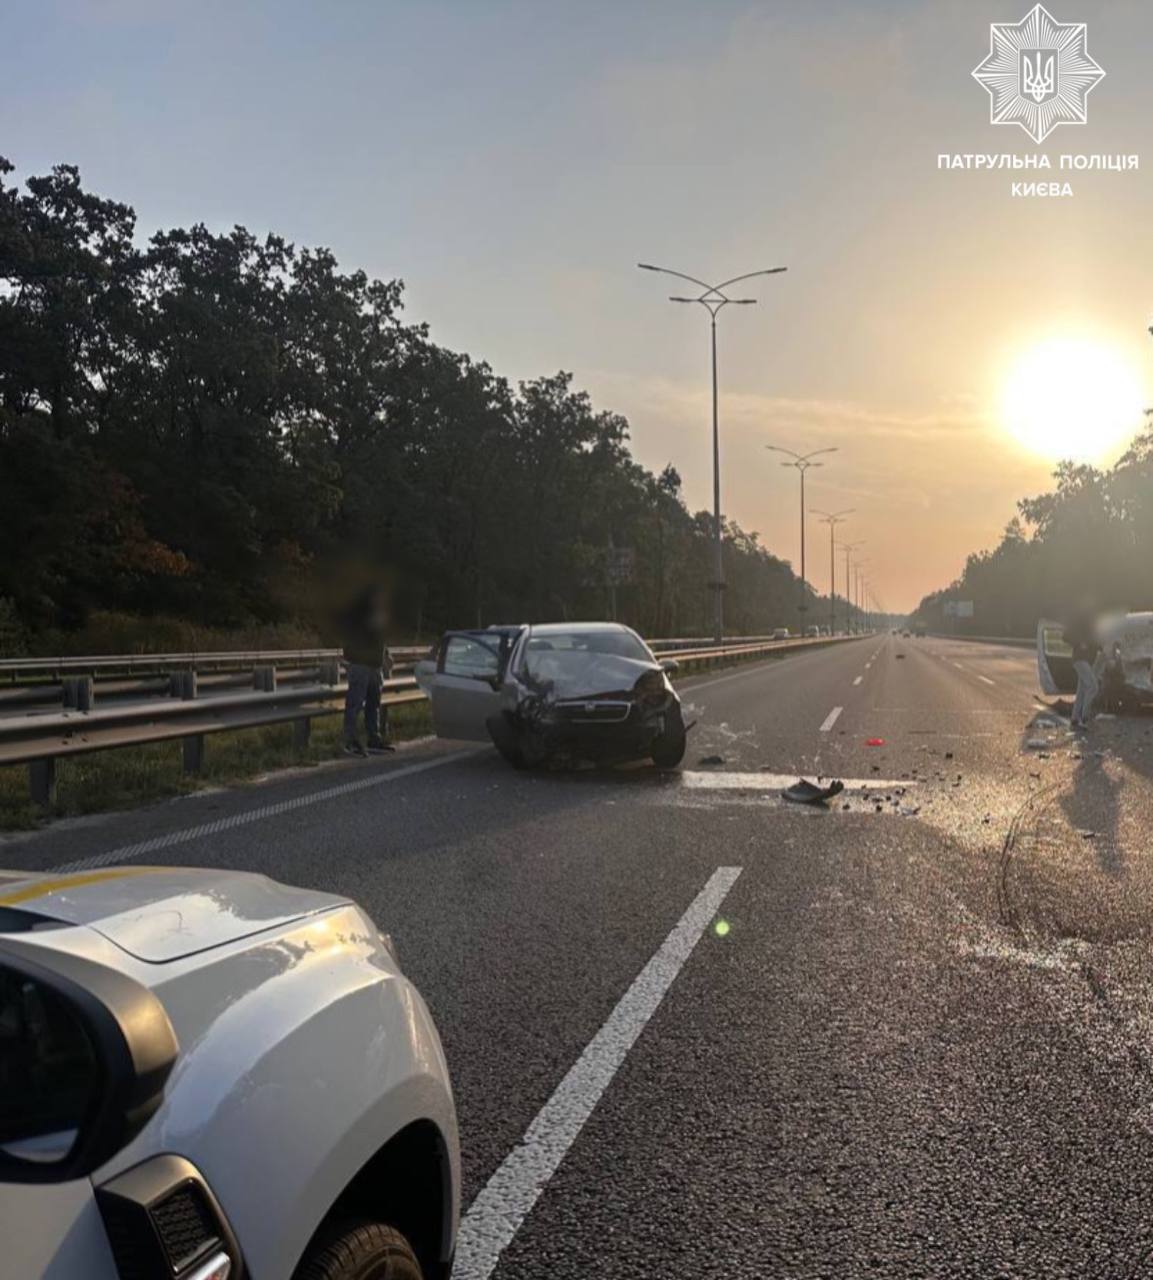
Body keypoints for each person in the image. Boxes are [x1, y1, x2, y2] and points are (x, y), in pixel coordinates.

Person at [341, 585, 396, 755]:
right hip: (360, 665)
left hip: (374, 666)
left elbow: (379, 638)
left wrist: (386, 655)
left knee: (374, 704)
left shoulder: (378, 614)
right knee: (355, 704)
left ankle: (373, 739)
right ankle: (349, 741)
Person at [1063, 609, 1101, 731]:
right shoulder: (1081, 623)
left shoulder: (1092, 628)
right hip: (1080, 659)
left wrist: (1102, 647)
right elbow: (1065, 636)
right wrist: (1078, 643)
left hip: (1086, 661)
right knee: (1093, 687)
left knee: (1082, 690)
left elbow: (1095, 644)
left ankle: (1075, 718)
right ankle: (1085, 718)